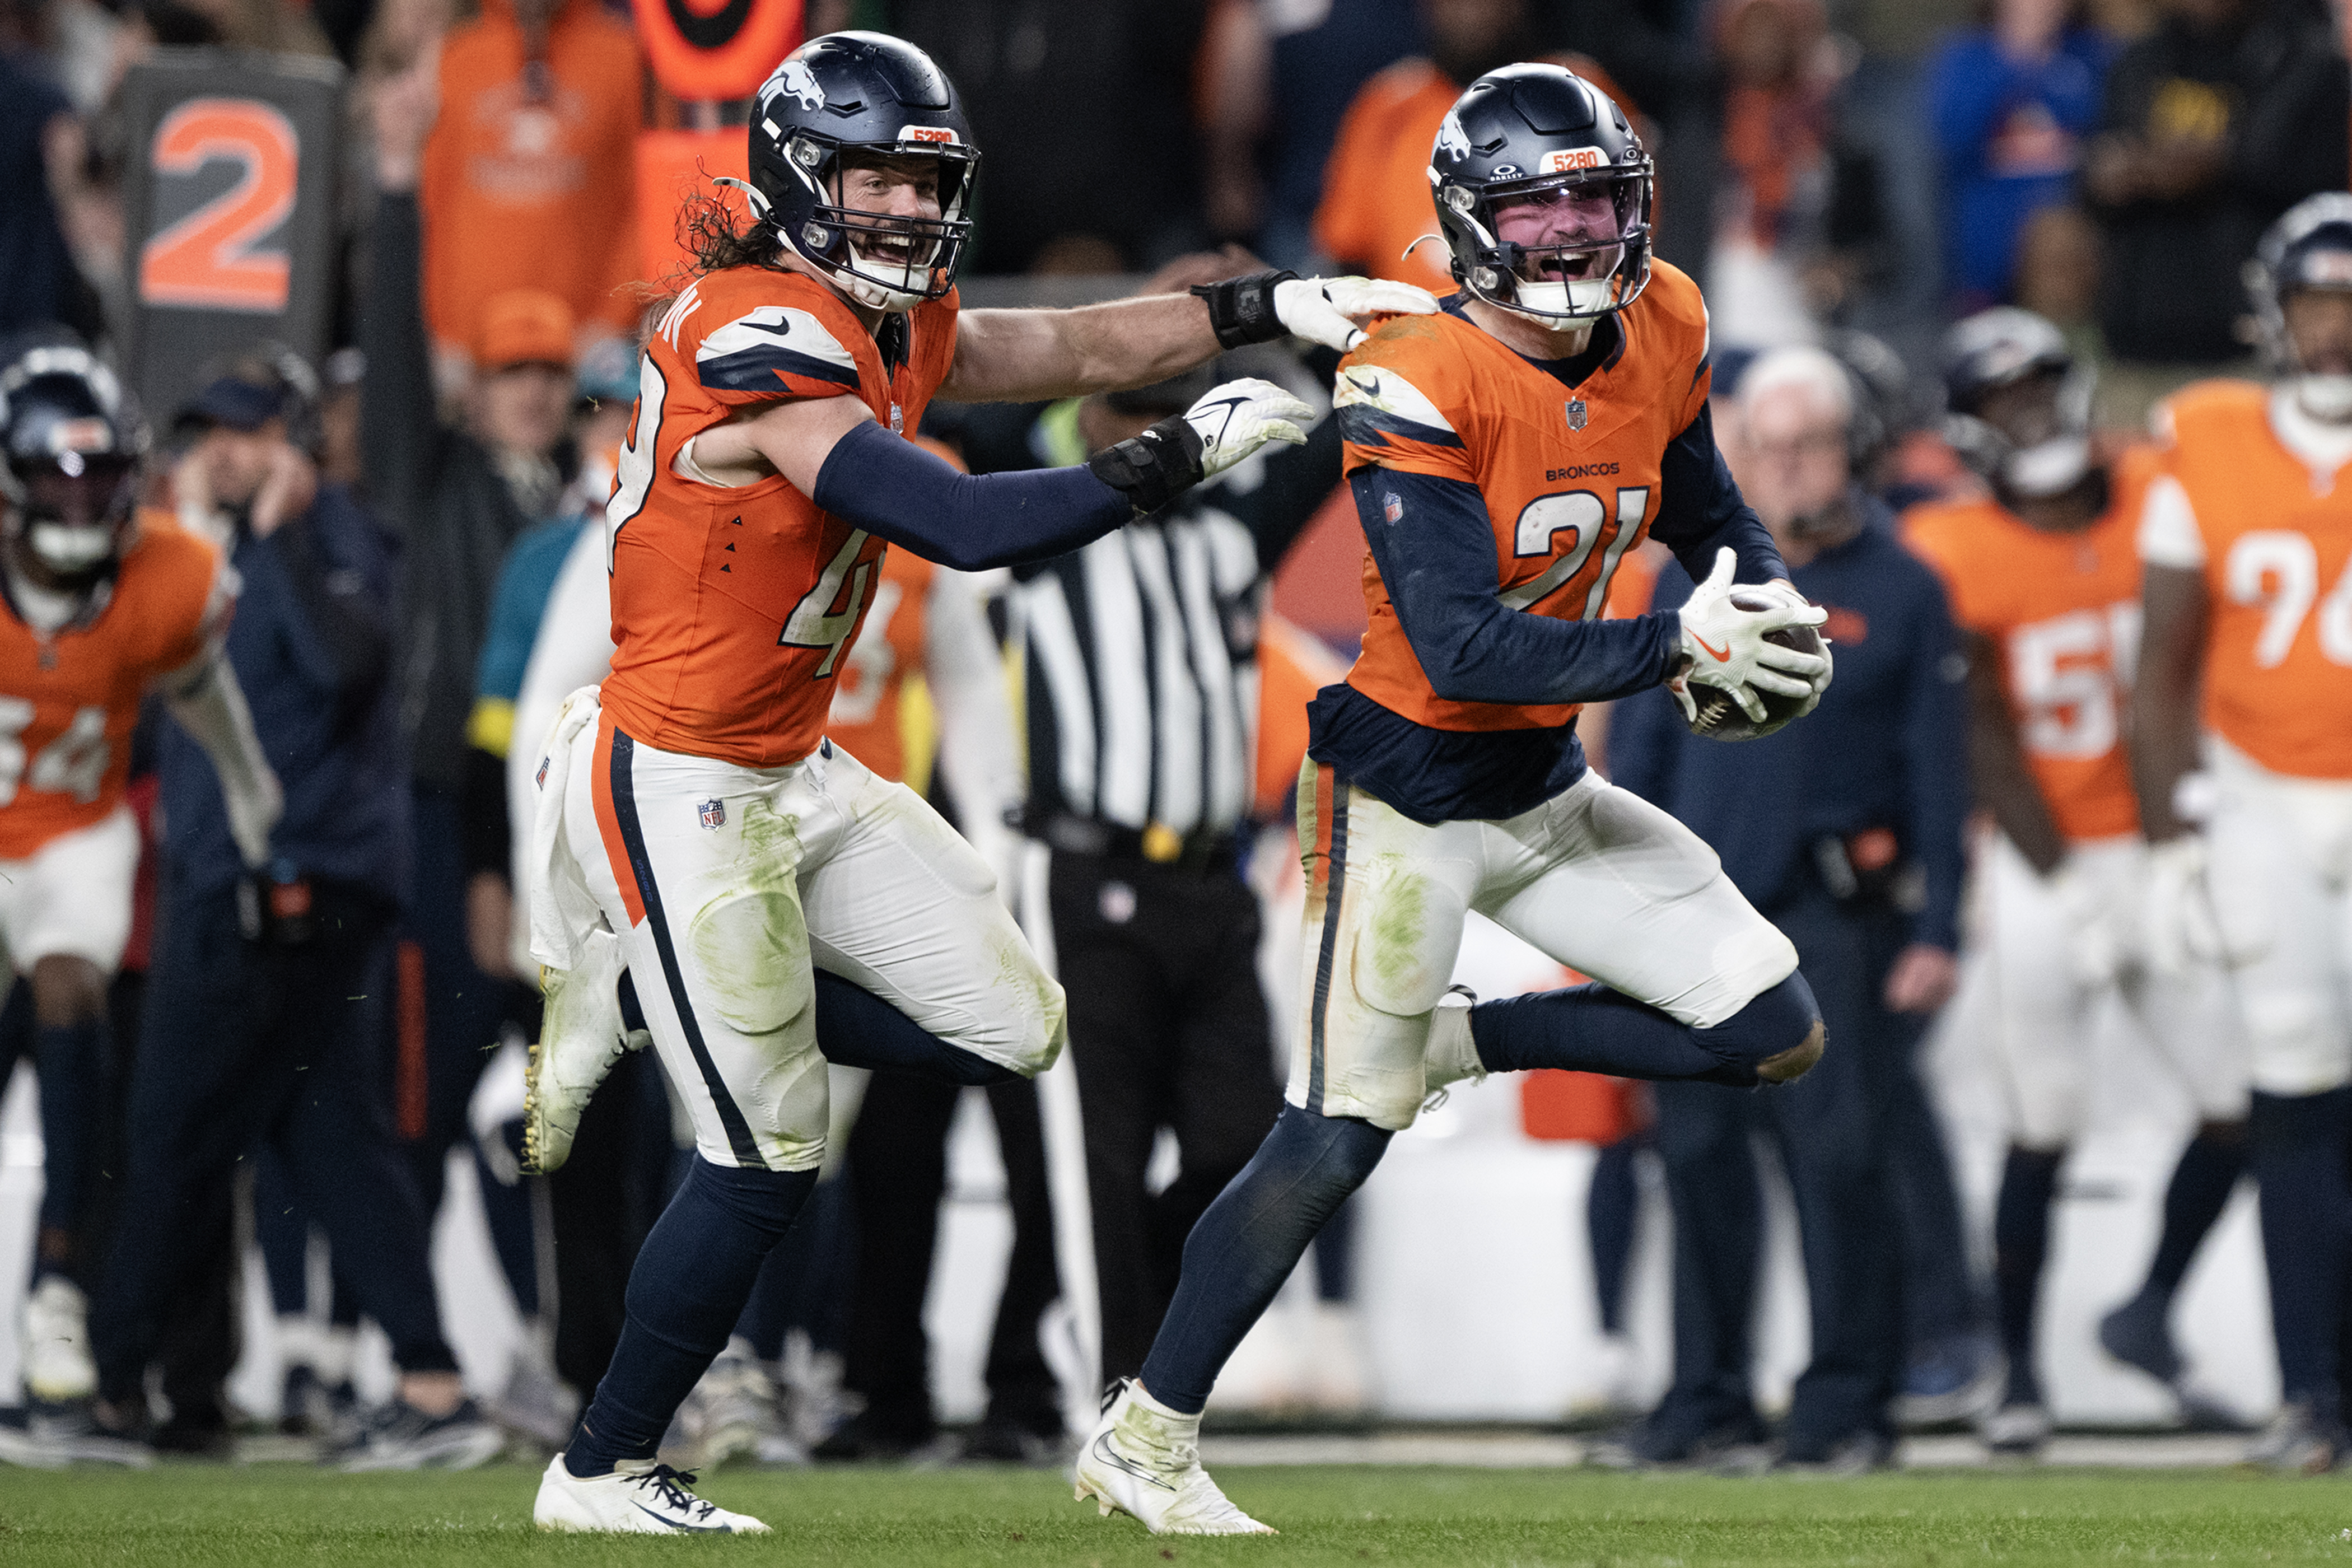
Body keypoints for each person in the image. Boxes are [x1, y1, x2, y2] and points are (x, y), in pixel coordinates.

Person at [515, 29, 1430, 1533]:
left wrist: (1263, 305)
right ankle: (601, 1467)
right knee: (766, 1155)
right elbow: (954, 524)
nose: (905, 217)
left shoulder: (889, 320)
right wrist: (1173, 464)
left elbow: (1073, 348)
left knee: (1016, 1025)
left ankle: (653, 989)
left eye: (923, 186)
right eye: (875, 185)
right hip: (674, 774)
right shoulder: (755, 332)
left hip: (795, 770)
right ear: (802, 182)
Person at [1072, 64, 1835, 1537]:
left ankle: (1460, 1045)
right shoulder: (1414, 368)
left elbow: (1697, 493)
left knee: (1770, 1030)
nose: (1571, 234)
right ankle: (1148, 1434)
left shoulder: (1664, 314)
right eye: (1539, 206)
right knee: (1330, 1136)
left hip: (1539, 783)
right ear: (1474, 223)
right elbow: (1459, 640)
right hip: (1407, 792)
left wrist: (1758, 586)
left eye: (1595, 201)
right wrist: (1676, 642)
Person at [74, 346, 505, 1468]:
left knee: (168, 1134)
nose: (225, 445)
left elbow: (343, 660)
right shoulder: (185, 552)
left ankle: (113, 1389)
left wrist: (285, 532)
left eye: (251, 426)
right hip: (242, 881)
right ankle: (431, 1379)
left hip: (293, 887)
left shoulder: (338, 534)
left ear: (295, 444)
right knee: (331, 1146)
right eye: (211, 425)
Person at [1605, 347, 1967, 1472]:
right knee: (1701, 1156)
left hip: (1831, 916)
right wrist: (1620, 914)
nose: (1790, 463)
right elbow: (1641, 757)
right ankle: (1705, 1394)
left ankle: (1846, 1400)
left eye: (1810, 442)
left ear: (1852, 449)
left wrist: (1941, 927)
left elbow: (1939, 778)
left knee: (1841, 1161)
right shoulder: (1695, 579)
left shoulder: (1905, 586)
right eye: (1767, 444)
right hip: (1697, 910)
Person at [1905, 307, 2250, 1454]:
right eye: (2006, 398)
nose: (2036, 411)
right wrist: (2069, 878)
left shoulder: (2157, 488)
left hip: (2169, 840)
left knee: (2244, 1103)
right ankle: (2019, 1372)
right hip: (2045, 852)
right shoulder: (1953, 545)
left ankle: (2147, 1308)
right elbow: (1983, 730)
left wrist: (2173, 846)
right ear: (1967, 425)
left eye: (2045, 384)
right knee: (2040, 1120)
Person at [1009, 337, 1338, 1401]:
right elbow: (970, 423)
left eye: (1175, 408)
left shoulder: (1233, 529)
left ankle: (1118, 1321)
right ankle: (1118, 1388)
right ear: (1090, 420)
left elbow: (1341, 429)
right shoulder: (1044, 517)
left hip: (1210, 879)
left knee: (1244, 1140)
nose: (1157, 428)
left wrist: (1282, 324)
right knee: (1098, 1151)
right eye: (1134, 406)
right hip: (1087, 876)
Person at [0, 338, 278, 1463]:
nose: (79, 496)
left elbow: (210, 705)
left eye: (98, 473)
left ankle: (61, 1283)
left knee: (72, 997)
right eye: (55, 475)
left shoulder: (170, 574)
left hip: (76, 835)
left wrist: (259, 814)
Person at [2131, 192, 2352, 1473]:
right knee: (2293, 1089)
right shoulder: (2205, 436)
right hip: (2260, 795)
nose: (2333, 335)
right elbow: (2160, 669)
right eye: (2317, 307)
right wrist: (2173, 843)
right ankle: (2310, 1395)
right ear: (2274, 313)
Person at [2079, 0, 2349, 424]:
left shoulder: (2306, 61)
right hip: (2138, 350)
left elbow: (2288, 173)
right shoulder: (2140, 60)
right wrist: (2114, 175)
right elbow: (2095, 176)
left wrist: (2206, 165)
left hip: (2251, 356)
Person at [1926, 0, 2116, 315]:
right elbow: (1954, 142)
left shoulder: (2091, 56)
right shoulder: (1967, 59)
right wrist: (2016, 59)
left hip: (2066, 265)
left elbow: (2103, 139)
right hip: (1985, 260)